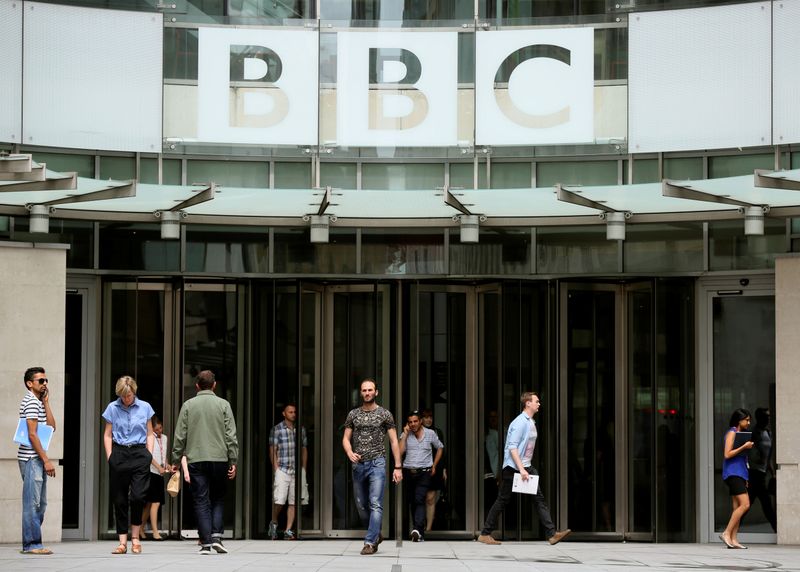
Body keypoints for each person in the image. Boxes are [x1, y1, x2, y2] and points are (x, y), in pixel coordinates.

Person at [478, 392, 571, 546]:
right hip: (514, 467)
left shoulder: (530, 421)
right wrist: (521, 469)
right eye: (536, 401)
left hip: (526, 466)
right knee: (502, 500)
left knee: (538, 499)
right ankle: (485, 534)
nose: (539, 404)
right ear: (528, 403)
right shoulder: (520, 422)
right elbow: (512, 448)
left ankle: (552, 533)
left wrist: (525, 467)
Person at [172, 370, 239, 555]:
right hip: (219, 459)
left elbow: (180, 435)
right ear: (214, 385)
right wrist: (233, 459)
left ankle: (206, 543)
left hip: (196, 459)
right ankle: (217, 537)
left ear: (197, 386)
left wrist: (176, 460)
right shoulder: (224, 404)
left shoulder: (188, 405)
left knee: (201, 500)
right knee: (217, 498)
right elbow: (231, 435)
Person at [342, 378, 403, 555]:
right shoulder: (353, 414)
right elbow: (346, 438)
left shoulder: (385, 414)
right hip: (358, 465)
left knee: (375, 503)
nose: (367, 393)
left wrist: (398, 467)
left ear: (376, 392)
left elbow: (393, 441)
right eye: (364, 390)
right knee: (361, 505)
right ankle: (376, 533)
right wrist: (349, 452)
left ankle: (370, 542)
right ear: (361, 393)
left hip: (377, 462)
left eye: (370, 390)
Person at [102, 375, 155, 555]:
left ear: (134, 392)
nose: (126, 399)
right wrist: (110, 456)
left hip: (140, 453)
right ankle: (123, 542)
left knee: (138, 497)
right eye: (123, 396)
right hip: (119, 453)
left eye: (129, 395)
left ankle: (136, 537)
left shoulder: (145, 407)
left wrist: (148, 454)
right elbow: (108, 434)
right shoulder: (112, 408)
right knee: (120, 499)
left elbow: (150, 433)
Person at [18, 366, 56, 555]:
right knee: (32, 503)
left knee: (41, 504)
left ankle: (32, 541)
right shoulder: (31, 402)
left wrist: (47, 403)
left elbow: (51, 427)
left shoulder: (38, 402)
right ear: (29, 383)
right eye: (41, 381)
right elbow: (32, 435)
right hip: (32, 458)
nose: (45, 384)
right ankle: (32, 544)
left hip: (37, 458)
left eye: (46, 380)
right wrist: (46, 460)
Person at [399, 410, 444, 542]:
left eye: (415, 421)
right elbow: (400, 451)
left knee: (420, 498)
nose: (413, 424)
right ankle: (419, 532)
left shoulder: (430, 434)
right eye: (410, 422)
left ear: (420, 421)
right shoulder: (405, 434)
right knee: (412, 500)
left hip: (425, 472)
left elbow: (440, 447)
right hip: (409, 472)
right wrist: (406, 435)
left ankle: (417, 529)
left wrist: (434, 465)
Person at [268, 403, 308, 540]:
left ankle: (288, 530)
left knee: (293, 501)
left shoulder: (300, 429)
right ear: (284, 414)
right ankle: (274, 522)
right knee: (279, 500)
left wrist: (303, 468)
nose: (293, 414)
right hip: (283, 469)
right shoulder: (277, 429)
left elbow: (304, 449)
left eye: (294, 412)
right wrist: (276, 468)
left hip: (296, 470)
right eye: (290, 412)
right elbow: (273, 450)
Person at [720, 408, 754, 549]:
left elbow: (742, 459)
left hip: (740, 473)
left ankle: (734, 539)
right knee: (745, 504)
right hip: (732, 473)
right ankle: (726, 533)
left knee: (737, 507)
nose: (749, 422)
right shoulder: (732, 433)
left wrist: (745, 476)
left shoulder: (741, 434)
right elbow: (727, 454)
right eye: (746, 419)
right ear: (739, 420)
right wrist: (744, 447)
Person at [142, 416, 173, 540]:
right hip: (151, 472)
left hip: (160, 472)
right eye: (156, 429)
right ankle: (155, 532)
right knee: (156, 502)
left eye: (160, 428)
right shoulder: (149, 438)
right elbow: (148, 455)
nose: (159, 431)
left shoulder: (164, 438)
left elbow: (163, 454)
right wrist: (158, 467)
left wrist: (167, 465)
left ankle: (140, 527)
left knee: (149, 504)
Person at [748, 407, 777, 532]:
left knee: (748, 504)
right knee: (765, 504)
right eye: (766, 416)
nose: (768, 418)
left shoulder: (768, 433)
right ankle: (777, 529)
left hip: (762, 473)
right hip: (754, 473)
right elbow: (748, 452)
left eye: (769, 416)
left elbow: (768, 456)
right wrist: (756, 459)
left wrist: (773, 473)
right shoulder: (754, 432)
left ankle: (732, 528)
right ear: (759, 418)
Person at [420, 408, 446, 533]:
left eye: (430, 417)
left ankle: (428, 529)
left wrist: (444, 469)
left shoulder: (437, 432)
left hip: (435, 469)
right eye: (425, 417)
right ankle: (419, 524)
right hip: (420, 468)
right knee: (420, 497)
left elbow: (442, 451)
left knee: (430, 497)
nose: (428, 419)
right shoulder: (417, 432)